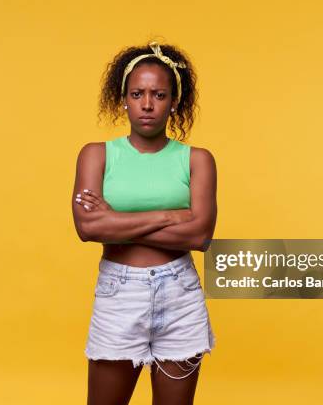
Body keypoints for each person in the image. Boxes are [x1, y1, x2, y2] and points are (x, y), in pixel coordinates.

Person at [72, 40, 217, 405]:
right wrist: (170, 215)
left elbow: (200, 235)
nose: (147, 104)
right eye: (137, 93)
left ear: (173, 102)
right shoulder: (97, 155)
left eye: (159, 94)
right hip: (119, 295)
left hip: (180, 293)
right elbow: (89, 228)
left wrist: (115, 218)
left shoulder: (197, 160)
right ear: (123, 98)